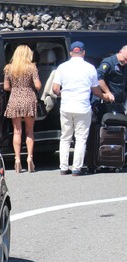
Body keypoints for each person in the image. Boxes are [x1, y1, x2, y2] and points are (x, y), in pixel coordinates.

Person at [52, 41, 105, 176]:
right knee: (80, 138)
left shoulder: (62, 67)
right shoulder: (90, 68)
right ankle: (76, 168)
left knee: (65, 137)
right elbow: (95, 90)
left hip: (66, 106)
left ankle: (64, 168)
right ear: (83, 52)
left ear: (70, 53)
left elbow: (55, 89)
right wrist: (105, 96)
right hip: (82, 106)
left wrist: (62, 94)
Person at [3, 44, 42, 173]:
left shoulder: (9, 68)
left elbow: (6, 87)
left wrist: (16, 87)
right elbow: (37, 85)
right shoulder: (32, 67)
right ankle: (30, 158)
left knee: (17, 131)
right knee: (29, 131)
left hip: (15, 99)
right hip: (29, 98)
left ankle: (17, 159)